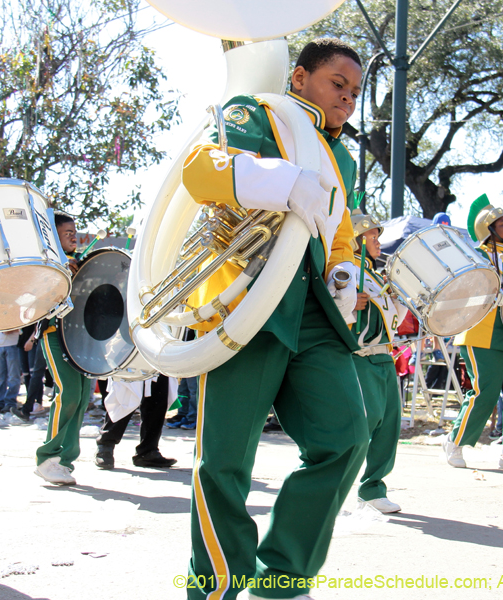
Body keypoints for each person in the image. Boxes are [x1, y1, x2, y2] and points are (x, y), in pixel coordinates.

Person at [179, 38, 368, 599]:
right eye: (338, 84)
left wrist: (344, 269)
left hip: (312, 313)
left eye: (355, 92)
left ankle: (281, 581)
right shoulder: (255, 113)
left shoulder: (343, 157)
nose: (348, 99)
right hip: (247, 304)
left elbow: (338, 231)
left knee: (346, 439)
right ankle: (216, 588)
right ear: (299, 78)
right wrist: (284, 182)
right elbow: (200, 170)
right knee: (225, 463)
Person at [442, 194, 503, 472]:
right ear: (490, 230)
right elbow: (464, 292)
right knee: (485, 391)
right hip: (483, 331)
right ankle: (455, 441)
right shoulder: (477, 256)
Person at [349, 212, 407, 514]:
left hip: (385, 355)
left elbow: (393, 321)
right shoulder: (345, 269)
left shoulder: (376, 274)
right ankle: (333, 484)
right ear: (357, 240)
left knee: (389, 425)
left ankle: (372, 488)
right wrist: (349, 302)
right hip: (360, 356)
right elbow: (332, 307)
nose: (378, 242)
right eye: (372, 236)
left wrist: (397, 296)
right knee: (364, 424)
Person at [33, 212, 93, 486]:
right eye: (67, 233)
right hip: (54, 333)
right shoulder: (43, 262)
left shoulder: (80, 262)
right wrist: (58, 269)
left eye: (74, 232)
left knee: (80, 398)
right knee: (67, 393)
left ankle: (65, 461)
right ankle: (47, 457)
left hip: (79, 337)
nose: (73, 237)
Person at [95, 375, 177, 469]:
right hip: (132, 367)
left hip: (159, 366)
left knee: (157, 397)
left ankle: (148, 451)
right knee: (125, 397)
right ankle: (105, 446)